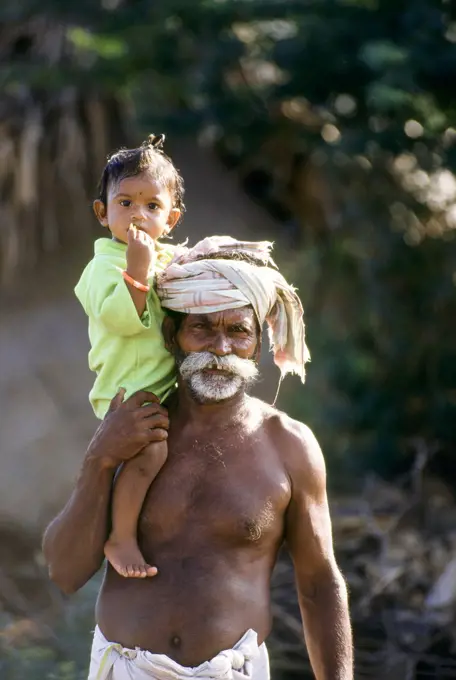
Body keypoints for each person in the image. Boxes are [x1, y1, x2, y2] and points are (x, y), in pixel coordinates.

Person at [43, 238, 353, 680]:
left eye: (238, 331)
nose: (220, 348)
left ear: (258, 345)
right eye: (202, 329)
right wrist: (99, 458)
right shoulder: (132, 432)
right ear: (174, 338)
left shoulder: (289, 446)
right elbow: (64, 571)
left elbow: (320, 585)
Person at [74, 133, 184, 579]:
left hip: (167, 387)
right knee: (151, 453)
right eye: (125, 203)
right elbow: (118, 318)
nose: (138, 214)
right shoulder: (101, 267)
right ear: (103, 213)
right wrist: (137, 272)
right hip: (128, 394)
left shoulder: (169, 257)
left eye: (152, 207)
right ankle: (120, 535)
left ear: (171, 219)